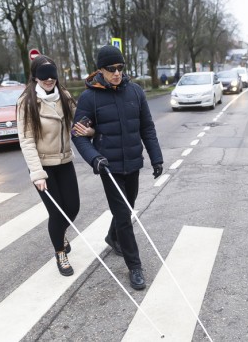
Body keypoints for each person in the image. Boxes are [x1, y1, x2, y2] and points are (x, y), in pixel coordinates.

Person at [72, 45, 163, 290]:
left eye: (120, 68)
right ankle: (135, 267)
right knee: (124, 216)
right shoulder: (89, 97)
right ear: (100, 70)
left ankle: (112, 237)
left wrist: (156, 158)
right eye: (111, 69)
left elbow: (147, 128)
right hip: (108, 167)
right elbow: (78, 135)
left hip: (133, 162)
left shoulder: (135, 92)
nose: (116, 73)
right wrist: (95, 158)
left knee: (128, 206)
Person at [17, 55, 93, 277]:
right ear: (35, 76)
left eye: (52, 75)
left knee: (73, 208)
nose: (49, 80)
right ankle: (60, 252)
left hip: (65, 161)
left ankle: (60, 233)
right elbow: (26, 140)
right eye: (43, 75)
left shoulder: (65, 96)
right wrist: (37, 173)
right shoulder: (27, 102)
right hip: (43, 167)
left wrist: (89, 130)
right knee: (57, 213)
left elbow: (79, 121)